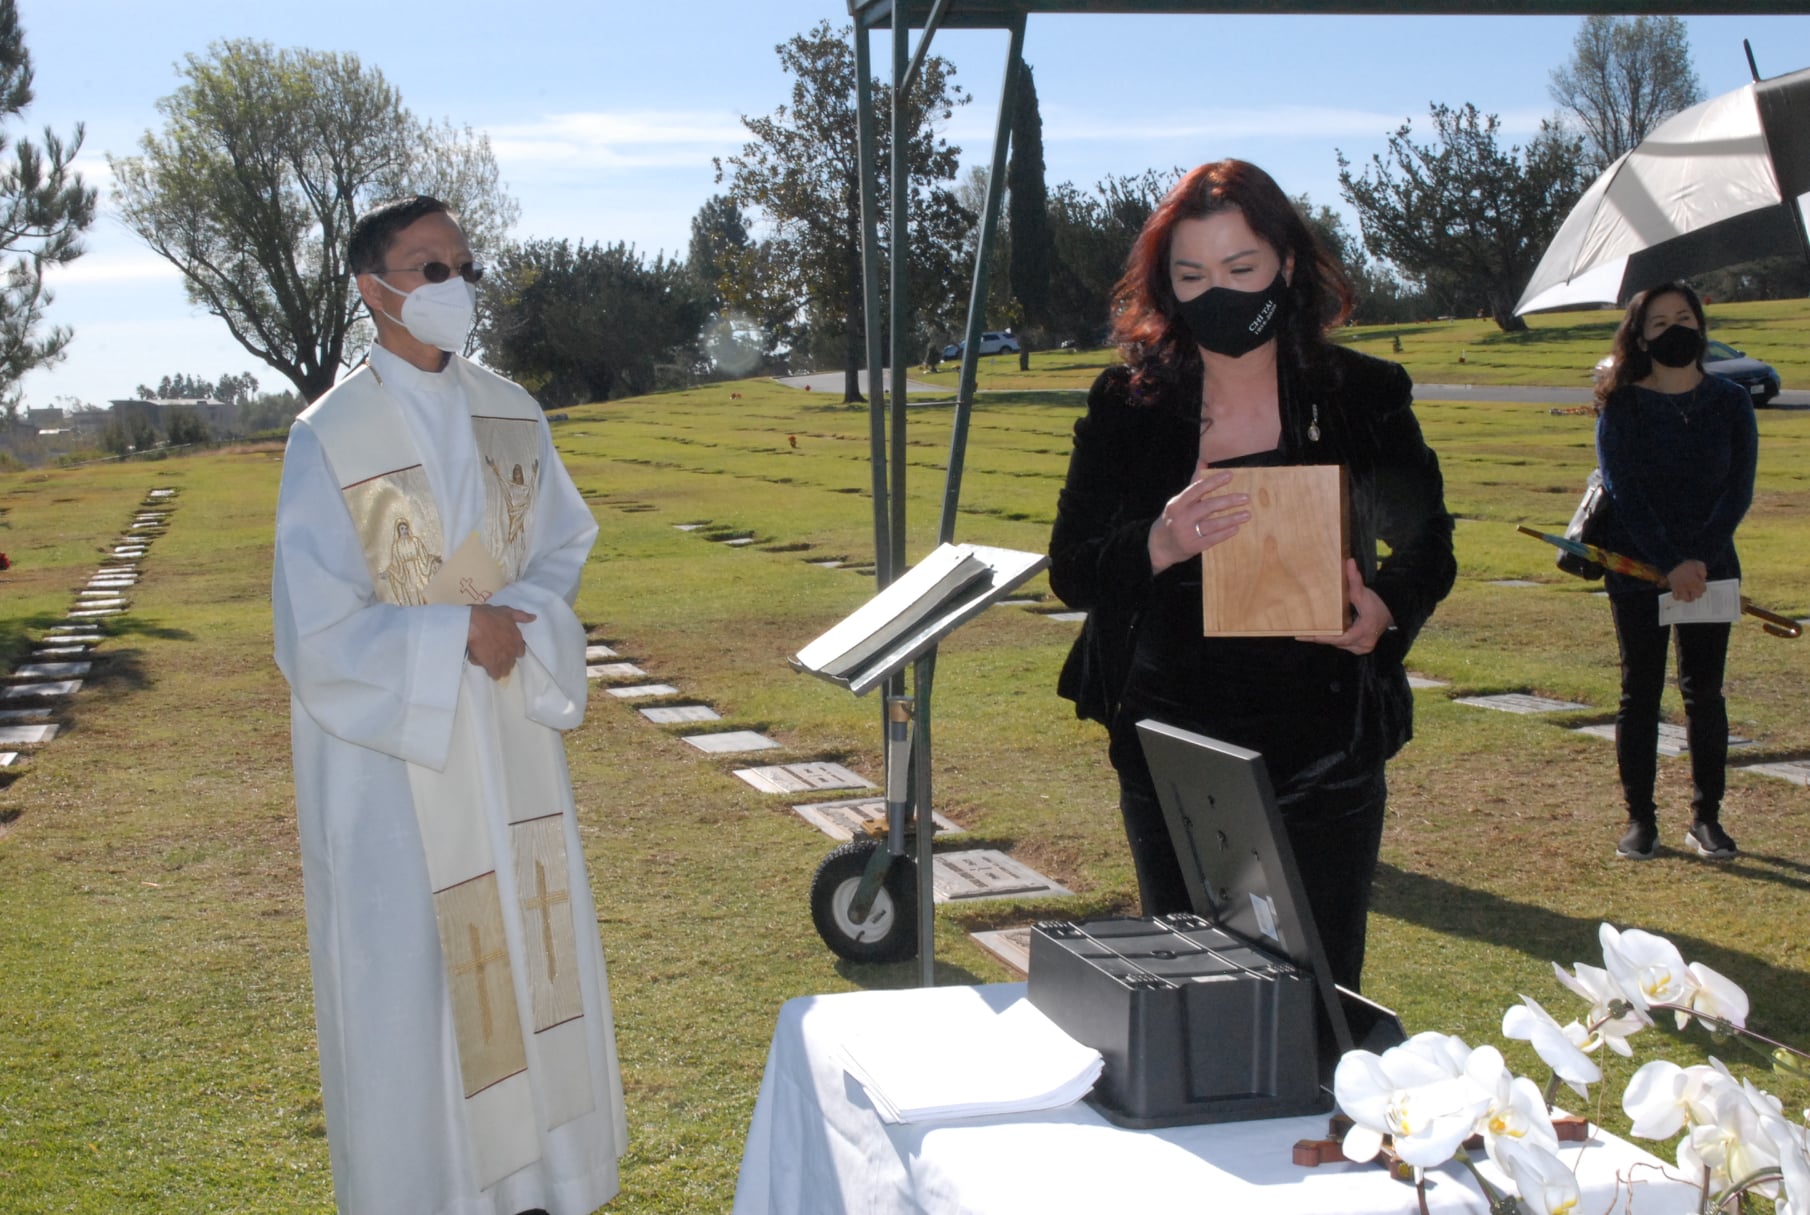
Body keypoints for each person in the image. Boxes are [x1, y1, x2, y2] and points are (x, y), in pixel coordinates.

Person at [272, 195, 625, 1215]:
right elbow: (315, 628)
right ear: (370, 286)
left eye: (462, 265)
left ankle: (541, 1184)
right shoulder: (332, 437)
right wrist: (448, 636)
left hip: (506, 728)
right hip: (397, 762)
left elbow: (561, 544)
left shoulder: (512, 409)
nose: (452, 285)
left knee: (530, 946)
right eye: (427, 267)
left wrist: (520, 619)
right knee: (419, 983)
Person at [1048, 160, 1455, 992]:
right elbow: (1072, 570)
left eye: (1241, 270)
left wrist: (1383, 608)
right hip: (1174, 755)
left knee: (1317, 996)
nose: (1218, 293)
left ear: (1288, 265)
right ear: (1165, 283)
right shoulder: (1127, 406)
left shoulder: (1359, 396)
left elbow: (1430, 547)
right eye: (1191, 275)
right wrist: (1158, 540)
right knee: (1193, 998)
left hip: (1323, 751)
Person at [1594, 281, 1757, 862]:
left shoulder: (1731, 402)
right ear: (1639, 336)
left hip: (1712, 568)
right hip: (1638, 568)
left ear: (1701, 325)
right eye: (1659, 323)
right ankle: (1641, 820)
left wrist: (1699, 562)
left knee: (1704, 694)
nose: (1673, 330)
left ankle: (1706, 818)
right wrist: (1668, 563)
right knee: (1640, 693)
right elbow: (1625, 491)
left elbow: (1738, 492)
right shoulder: (1622, 405)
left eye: (1683, 317)